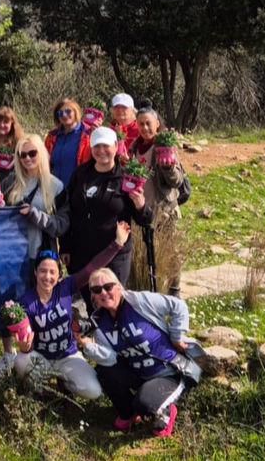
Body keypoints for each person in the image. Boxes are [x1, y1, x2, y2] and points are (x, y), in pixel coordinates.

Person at [14, 222, 129, 397]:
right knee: (21, 360)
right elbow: (25, 339)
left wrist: (117, 244)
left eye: (52, 272)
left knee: (94, 391)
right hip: (41, 357)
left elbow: (92, 268)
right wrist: (24, 348)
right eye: (43, 271)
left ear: (59, 275)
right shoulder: (27, 302)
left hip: (68, 355)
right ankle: (40, 391)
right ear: (35, 272)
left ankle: (66, 384)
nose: (47, 276)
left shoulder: (66, 287)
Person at [78, 268, 196, 436]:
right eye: (97, 290)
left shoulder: (138, 301)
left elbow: (178, 306)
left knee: (145, 405)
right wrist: (86, 344)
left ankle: (166, 411)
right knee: (105, 371)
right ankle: (128, 413)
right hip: (139, 373)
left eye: (108, 287)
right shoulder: (99, 322)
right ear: (93, 296)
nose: (103, 293)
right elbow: (111, 359)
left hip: (168, 371)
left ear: (118, 287)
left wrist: (176, 336)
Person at [60, 127, 153, 308]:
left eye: (106, 146)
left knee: (112, 303)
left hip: (114, 255)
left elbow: (145, 220)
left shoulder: (126, 177)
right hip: (82, 253)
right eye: (97, 146)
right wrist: (65, 245)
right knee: (90, 303)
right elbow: (68, 210)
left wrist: (140, 205)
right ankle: (93, 327)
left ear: (116, 147)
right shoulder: (80, 174)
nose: (101, 150)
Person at [127, 107, 186, 296]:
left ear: (157, 124)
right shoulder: (134, 148)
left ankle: (174, 290)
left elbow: (177, 181)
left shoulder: (164, 146)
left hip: (164, 209)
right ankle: (149, 287)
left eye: (148, 123)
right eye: (141, 124)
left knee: (169, 250)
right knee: (145, 251)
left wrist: (168, 168)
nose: (145, 128)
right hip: (142, 210)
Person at [5, 134, 69, 267]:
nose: (27, 158)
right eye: (22, 155)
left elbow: (61, 225)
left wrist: (34, 215)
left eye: (32, 153)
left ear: (41, 153)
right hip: (12, 254)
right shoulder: (11, 181)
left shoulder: (56, 186)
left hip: (40, 257)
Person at [44, 98, 91, 186]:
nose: (64, 115)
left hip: (78, 187)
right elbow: (44, 161)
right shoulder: (52, 135)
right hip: (55, 188)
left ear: (76, 111)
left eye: (68, 111)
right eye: (60, 113)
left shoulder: (88, 133)